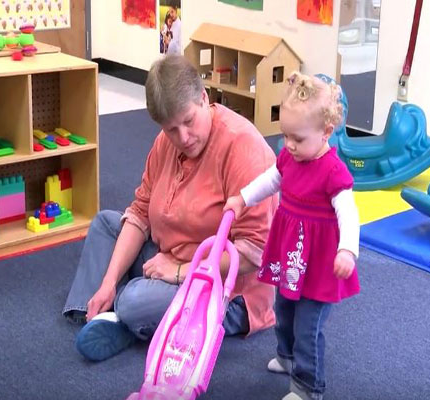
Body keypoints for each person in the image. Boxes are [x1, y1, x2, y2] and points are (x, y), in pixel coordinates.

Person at [63, 54, 278, 362]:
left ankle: (125, 315)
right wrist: (109, 282)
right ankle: (101, 312)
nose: (183, 137)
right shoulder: (167, 143)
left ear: (204, 98)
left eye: (189, 122)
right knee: (106, 224)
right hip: (168, 259)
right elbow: (139, 213)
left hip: (224, 290)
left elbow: (254, 253)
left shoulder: (243, 148)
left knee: (135, 301)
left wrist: (179, 272)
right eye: (171, 129)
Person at [224, 72, 360, 400]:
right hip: (293, 254)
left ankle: (308, 387)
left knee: (307, 328)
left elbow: (349, 214)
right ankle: (286, 357)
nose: (289, 145)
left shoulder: (333, 171)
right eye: (285, 135)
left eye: (298, 138)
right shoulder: (290, 156)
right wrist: (243, 198)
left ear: (326, 132)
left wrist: (347, 251)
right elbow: (271, 180)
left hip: (320, 265)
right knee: (283, 309)